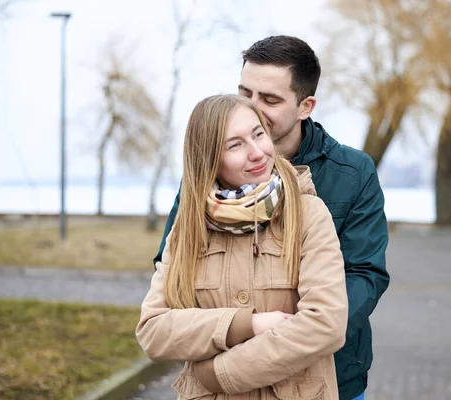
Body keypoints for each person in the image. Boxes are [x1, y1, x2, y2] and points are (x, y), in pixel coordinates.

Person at [154, 36, 390, 400]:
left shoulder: (352, 173)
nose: (250, 106)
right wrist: (239, 328)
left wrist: (290, 337)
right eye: (245, 91)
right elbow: (172, 275)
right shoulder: (203, 180)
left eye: (270, 99)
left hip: (329, 376)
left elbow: (363, 275)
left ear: (305, 106)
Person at [137, 94, 348, 399]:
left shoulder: (308, 214)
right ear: (209, 159)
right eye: (235, 145)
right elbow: (154, 331)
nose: (257, 152)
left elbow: (325, 323)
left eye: (258, 134)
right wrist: (247, 324)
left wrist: (223, 373)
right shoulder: (189, 228)